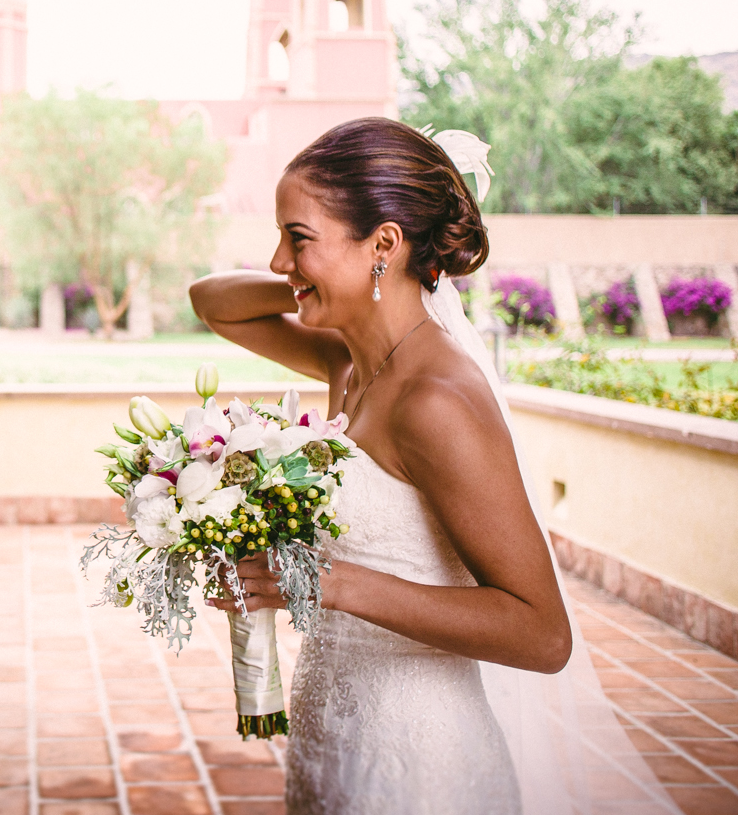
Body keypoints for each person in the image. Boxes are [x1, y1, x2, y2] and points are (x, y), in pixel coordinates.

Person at [190, 117, 670, 814]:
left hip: (419, 761)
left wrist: (335, 583)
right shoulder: (350, 357)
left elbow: (542, 631)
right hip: (333, 732)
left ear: (384, 242)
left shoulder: (436, 398)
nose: (275, 260)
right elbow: (212, 302)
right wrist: (311, 280)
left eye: (297, 238)